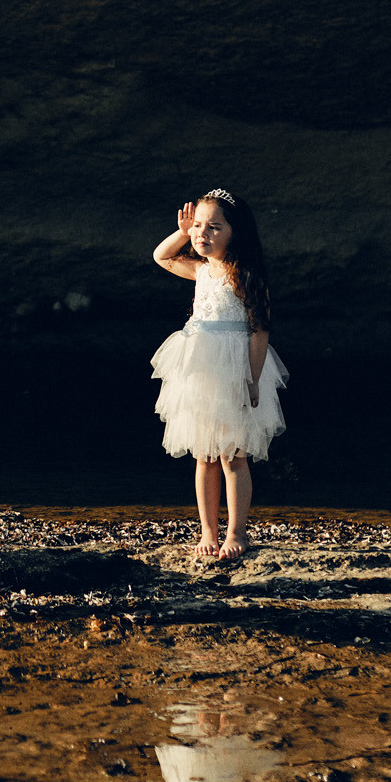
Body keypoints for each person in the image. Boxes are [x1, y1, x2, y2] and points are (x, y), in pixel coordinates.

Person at [149, 188, 286, 561]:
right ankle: (208, 530)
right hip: (201, 368)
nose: (202, 234)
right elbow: (161, 256)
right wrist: (181, 232)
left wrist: (253, 378)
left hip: (234, 368)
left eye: (214, 227)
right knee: (205, 455)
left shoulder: (246, 274)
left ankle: (236, 532)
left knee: (233, 455)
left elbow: (260, 330)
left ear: (234, 233)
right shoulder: (200, 269)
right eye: (198, 226)